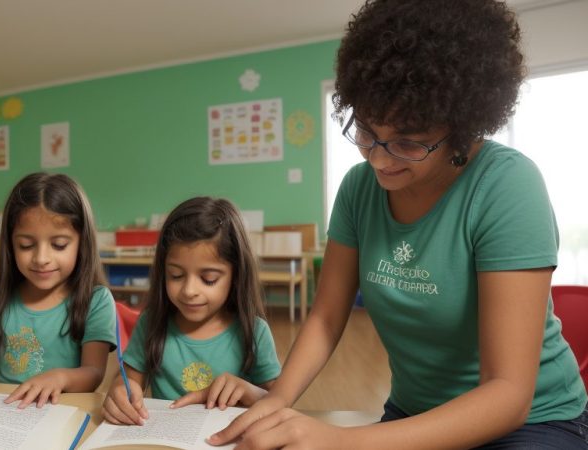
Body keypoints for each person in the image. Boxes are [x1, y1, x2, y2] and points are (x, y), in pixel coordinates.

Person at [211, 0, 588, 448]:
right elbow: (327, 317)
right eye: (366, 132)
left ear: (462, 129)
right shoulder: (358, 189)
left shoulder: (507, 186)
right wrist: (277, 399)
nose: (378, 159)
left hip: (535, 423)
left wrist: (342, 442)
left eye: (408, 143)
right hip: (414, 411)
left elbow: (508, 394)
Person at [102, 197, 280, 426]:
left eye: (209, 279)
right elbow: (128, 380)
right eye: (176, 275)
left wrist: (250, 393)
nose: (189, 291)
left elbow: (278, 400)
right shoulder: (151, 323)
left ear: (236, 275)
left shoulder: (254, 332)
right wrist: (120, 389)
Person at [0, 172, 117, 408]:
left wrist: (60, 378)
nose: (41, 258)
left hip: (59, 410)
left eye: (59, 245)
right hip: (2, 410)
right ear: (11, 244)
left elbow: (94, 372)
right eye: (26, 245)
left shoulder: (95, 301)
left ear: (82, 243)